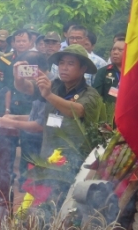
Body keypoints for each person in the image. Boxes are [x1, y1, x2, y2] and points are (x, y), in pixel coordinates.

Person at [34, 44, 103, 179]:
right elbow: (28, 89)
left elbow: (76, 111)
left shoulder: (91, 94)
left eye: (71, 64)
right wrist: (18, 77)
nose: (64, 67)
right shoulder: (54, 85)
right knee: (45, 196)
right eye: (61, 63)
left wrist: (48, 95)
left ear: (83, 68)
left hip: (75, 162)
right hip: (48, 156)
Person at [0, 51, 50, 186]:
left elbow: (40, 125)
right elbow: (24, 88)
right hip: (34, 140)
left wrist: (12, 122)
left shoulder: (52, 86)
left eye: (30, 70)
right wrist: (15, 117)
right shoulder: (39, 86)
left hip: (46, 143)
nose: (28, 74)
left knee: (40, 183)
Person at [8, 29, 34, 116]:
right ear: (13, 43)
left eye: (24, 41)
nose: (21, 43)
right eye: (18, 41)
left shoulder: (36, 59)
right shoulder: (7, 59)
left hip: (29, 104)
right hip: (11, 102)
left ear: (30, 42)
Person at [93, 40, 125, 111]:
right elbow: (97, 96)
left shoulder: (134, 72)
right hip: (108, 115)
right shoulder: (103, 71)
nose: (115, 52)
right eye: (113, 49)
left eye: (120, 50)